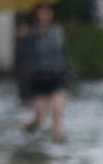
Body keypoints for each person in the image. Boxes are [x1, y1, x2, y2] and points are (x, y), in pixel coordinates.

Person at [18, 4, 70, 143]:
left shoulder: (57, 31)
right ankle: (28, 132)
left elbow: (63, 53)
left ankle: (57, 144)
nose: (45, 16)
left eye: (47, 12)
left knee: (57, 113)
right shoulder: (28, 34)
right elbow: (22, 55)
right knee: (39, 118)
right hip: (39, 77)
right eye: (42, 13)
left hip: (57, 76)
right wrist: (23, 37)